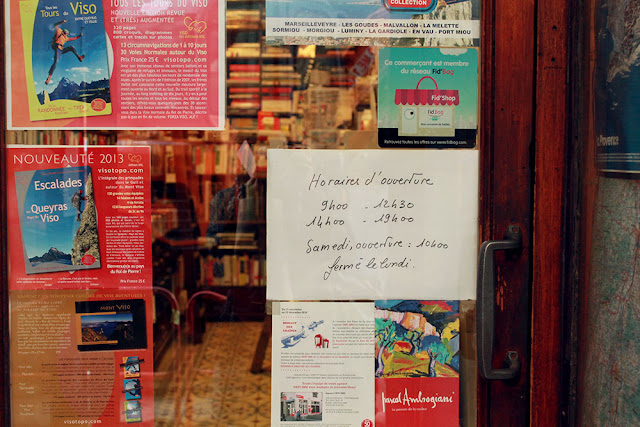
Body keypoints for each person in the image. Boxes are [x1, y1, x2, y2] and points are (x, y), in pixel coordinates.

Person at [45, 20, 84, 85]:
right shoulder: (59, 31)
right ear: (63, 32)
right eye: (66, 33)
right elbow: (56, 25)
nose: (66, 34)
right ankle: (49, 77)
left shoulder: (66, 38)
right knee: (55, 62)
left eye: (67, 34)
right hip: (57, 48)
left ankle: (79, 57)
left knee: (72, 47)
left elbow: (74, 38)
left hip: (62, 50)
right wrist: (62, 22)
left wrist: (80, 36)